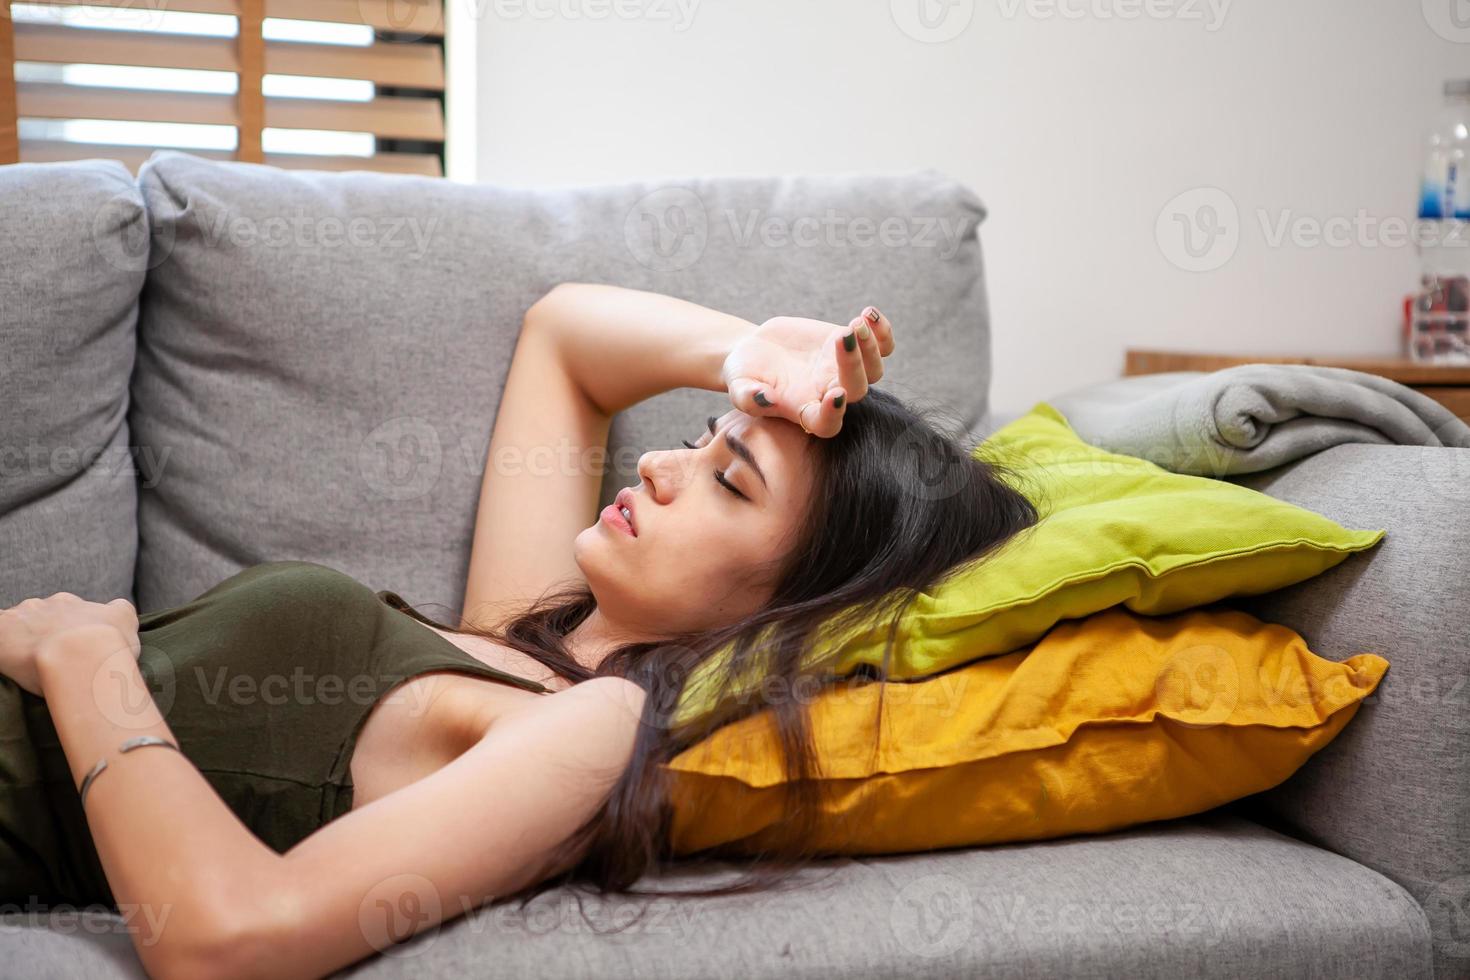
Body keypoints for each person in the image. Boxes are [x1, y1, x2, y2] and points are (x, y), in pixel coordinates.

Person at [0, 284, 1037, 979]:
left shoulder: (589, 723)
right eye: (697, 435)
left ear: (795, 603)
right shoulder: (541, 630)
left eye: (729, 478)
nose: (658, 466)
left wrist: (85, 662)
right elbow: (566, 334)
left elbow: (225, 935)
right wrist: (750, 353)